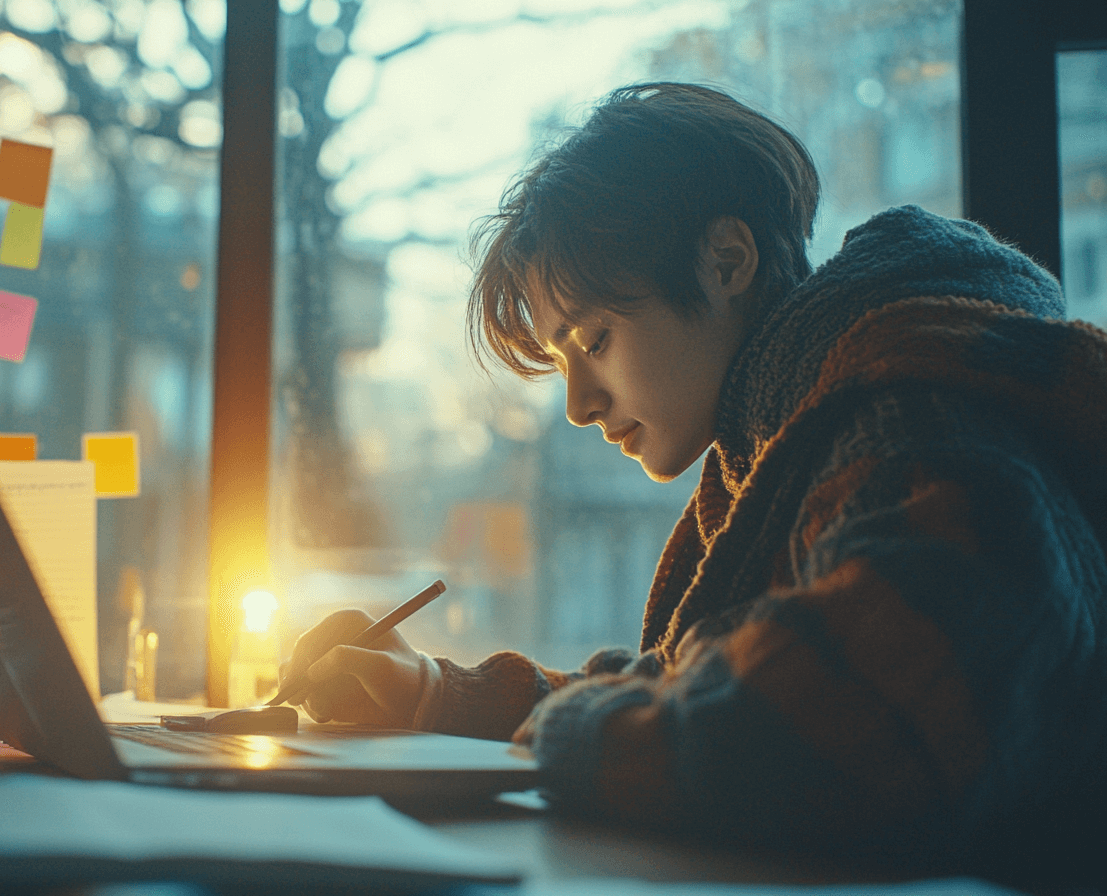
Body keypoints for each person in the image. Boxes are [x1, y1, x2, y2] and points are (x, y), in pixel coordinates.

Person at [280, 82, 1107, 881]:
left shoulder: (915, 429)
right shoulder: (792, 431)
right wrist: (429, 691)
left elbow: (805, 725)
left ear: (725, 260)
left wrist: (564, 735)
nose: (576, 404)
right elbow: (697, 681)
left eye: (594, 340)